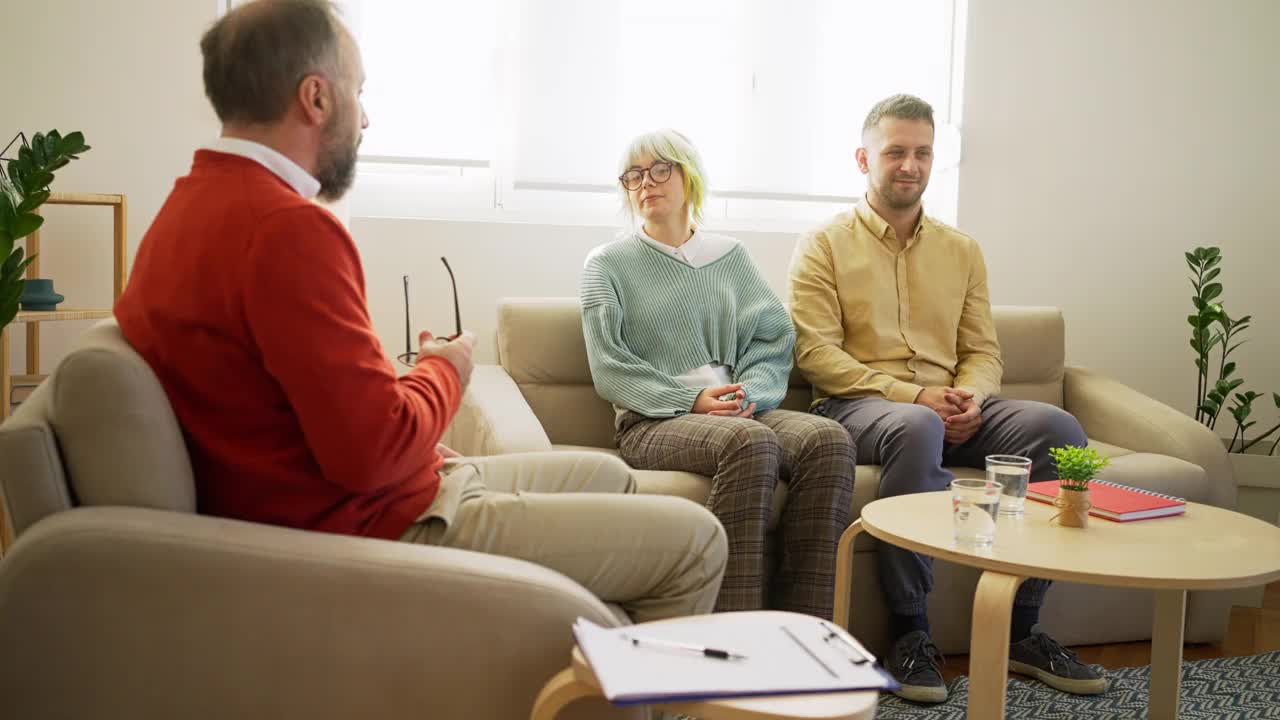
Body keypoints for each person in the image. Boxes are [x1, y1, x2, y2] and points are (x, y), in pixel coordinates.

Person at [113, 0, 726, 625]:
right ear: (316, 98)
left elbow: (319, 415)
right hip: (378, 525)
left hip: (375, 495)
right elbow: (372, 454)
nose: (367, 117)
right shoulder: (287, 230)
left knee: (608, 477)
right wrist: (446, 370)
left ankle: (566, 659)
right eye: (360, 91)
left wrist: (421, 438)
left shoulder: (184, 209)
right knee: (698, 541)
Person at [788, 94, 1106, 702]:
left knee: (1059, 429)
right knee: (916, 427)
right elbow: (817, 356)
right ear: (864, 158)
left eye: (923, 153)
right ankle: (910, 631)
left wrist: (972, 398)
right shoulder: (823, 245)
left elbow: (984, 349)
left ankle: (1020, 625)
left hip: (948, 404)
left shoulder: (961, 250)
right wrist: (917, 395)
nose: (910, 165)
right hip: (858, 403)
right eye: (895, 152)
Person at [580, 129, 855, 619]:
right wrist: (691, 401)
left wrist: (752, 393)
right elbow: (609, 366)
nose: (646, 183)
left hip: (737, 408)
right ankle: (729, 634)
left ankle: (805, 630)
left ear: (689, 176)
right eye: (634, 176)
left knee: (828, 441)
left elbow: (772, 337)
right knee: (749, 443)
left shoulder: (731, 258)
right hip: (654, 421)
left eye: (660, 169)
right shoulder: (607, 265)